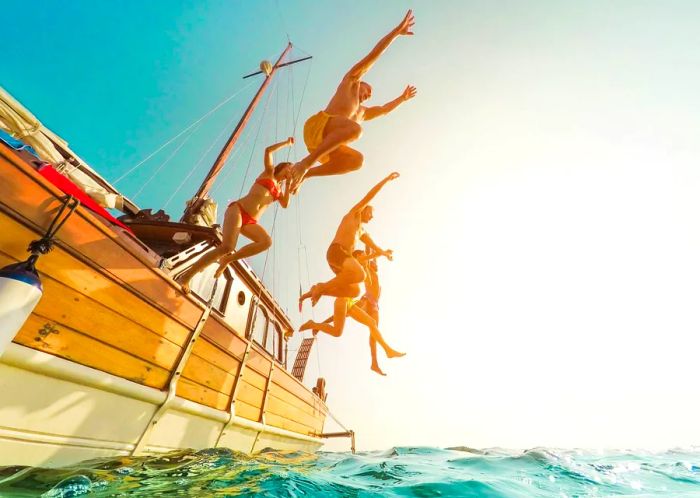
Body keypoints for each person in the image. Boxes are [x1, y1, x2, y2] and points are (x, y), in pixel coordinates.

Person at [288, 10, 417, 192]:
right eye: (368, 90)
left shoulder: (363, 113)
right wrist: (396, 32)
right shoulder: (351, 81)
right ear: (362, 83)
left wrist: (402, 99)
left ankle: (305, 174)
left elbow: (384, 109)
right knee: (355, 130)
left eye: (370, 95)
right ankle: (305, 164)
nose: (368, 95)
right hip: (317, 126)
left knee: (357, 161)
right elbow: (374, 55)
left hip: (324, 146)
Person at [178, 138, 294, 293]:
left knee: (266, 242)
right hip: (238, 209)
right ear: (284, 166)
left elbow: (285, 204)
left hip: (250, 222)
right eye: (290, 169)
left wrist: (289, 184)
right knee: (227, 246)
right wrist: (286, 143)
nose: (290, 172)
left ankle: (228, 259)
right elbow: (268, 150)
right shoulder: (269, 172)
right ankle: (186, 277)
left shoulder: (279, 191)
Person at [299, 172, 399, 308]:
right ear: (365, 210)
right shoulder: (354, 214)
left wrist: (384, 253)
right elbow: (370, 196)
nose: (372, 217)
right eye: (371, 214)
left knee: (355, 290)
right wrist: (386, 180)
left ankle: (320, 290)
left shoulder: (361, 231)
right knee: (360, 274)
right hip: (337, 251)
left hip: (341, 261)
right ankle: (322, 287)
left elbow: (374, 246)